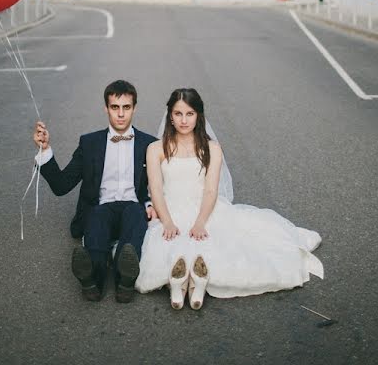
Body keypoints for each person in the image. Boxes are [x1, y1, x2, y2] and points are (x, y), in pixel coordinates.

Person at [135, 88, 323, 310]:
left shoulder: (212, 148)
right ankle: (185, 284)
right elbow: (155, 188)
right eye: (178, 114)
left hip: (205, 209)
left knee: (213, 242)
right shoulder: (156, 148)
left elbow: (211, 190)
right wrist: (166, 221)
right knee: (167, 244)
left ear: (199, 116)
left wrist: (200, 222)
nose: (184, 120)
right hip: (170, 210)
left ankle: (193, 284)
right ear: (170, 116)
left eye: (190, 114)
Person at [33, 80, 157, 303]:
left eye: (126, 108)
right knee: (97, 217)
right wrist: (45, 151)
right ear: (106, 108)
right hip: (101, 208)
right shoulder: (89, 143)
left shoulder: (150, 144)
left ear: (134, 108)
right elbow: (61, 186)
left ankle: (125, 280)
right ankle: (92, 280)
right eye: (115, 107)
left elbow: (159, 184)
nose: (120, 114)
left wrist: (150, 204)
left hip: (133, 207)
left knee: (135, 215)